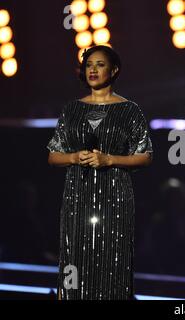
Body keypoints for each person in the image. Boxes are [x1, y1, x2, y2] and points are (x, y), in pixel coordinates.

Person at [47, 45, 153, 300]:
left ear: (114, 70)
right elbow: (53, 156)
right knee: (74, 260)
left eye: (100, 64)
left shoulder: (130, 110)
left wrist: (109, 160)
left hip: (115, 199)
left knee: (112, 263)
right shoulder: (71, 110)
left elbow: (146, 156)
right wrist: (73, 157)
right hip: (77, 197)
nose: (93, 69)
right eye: (89, 65)